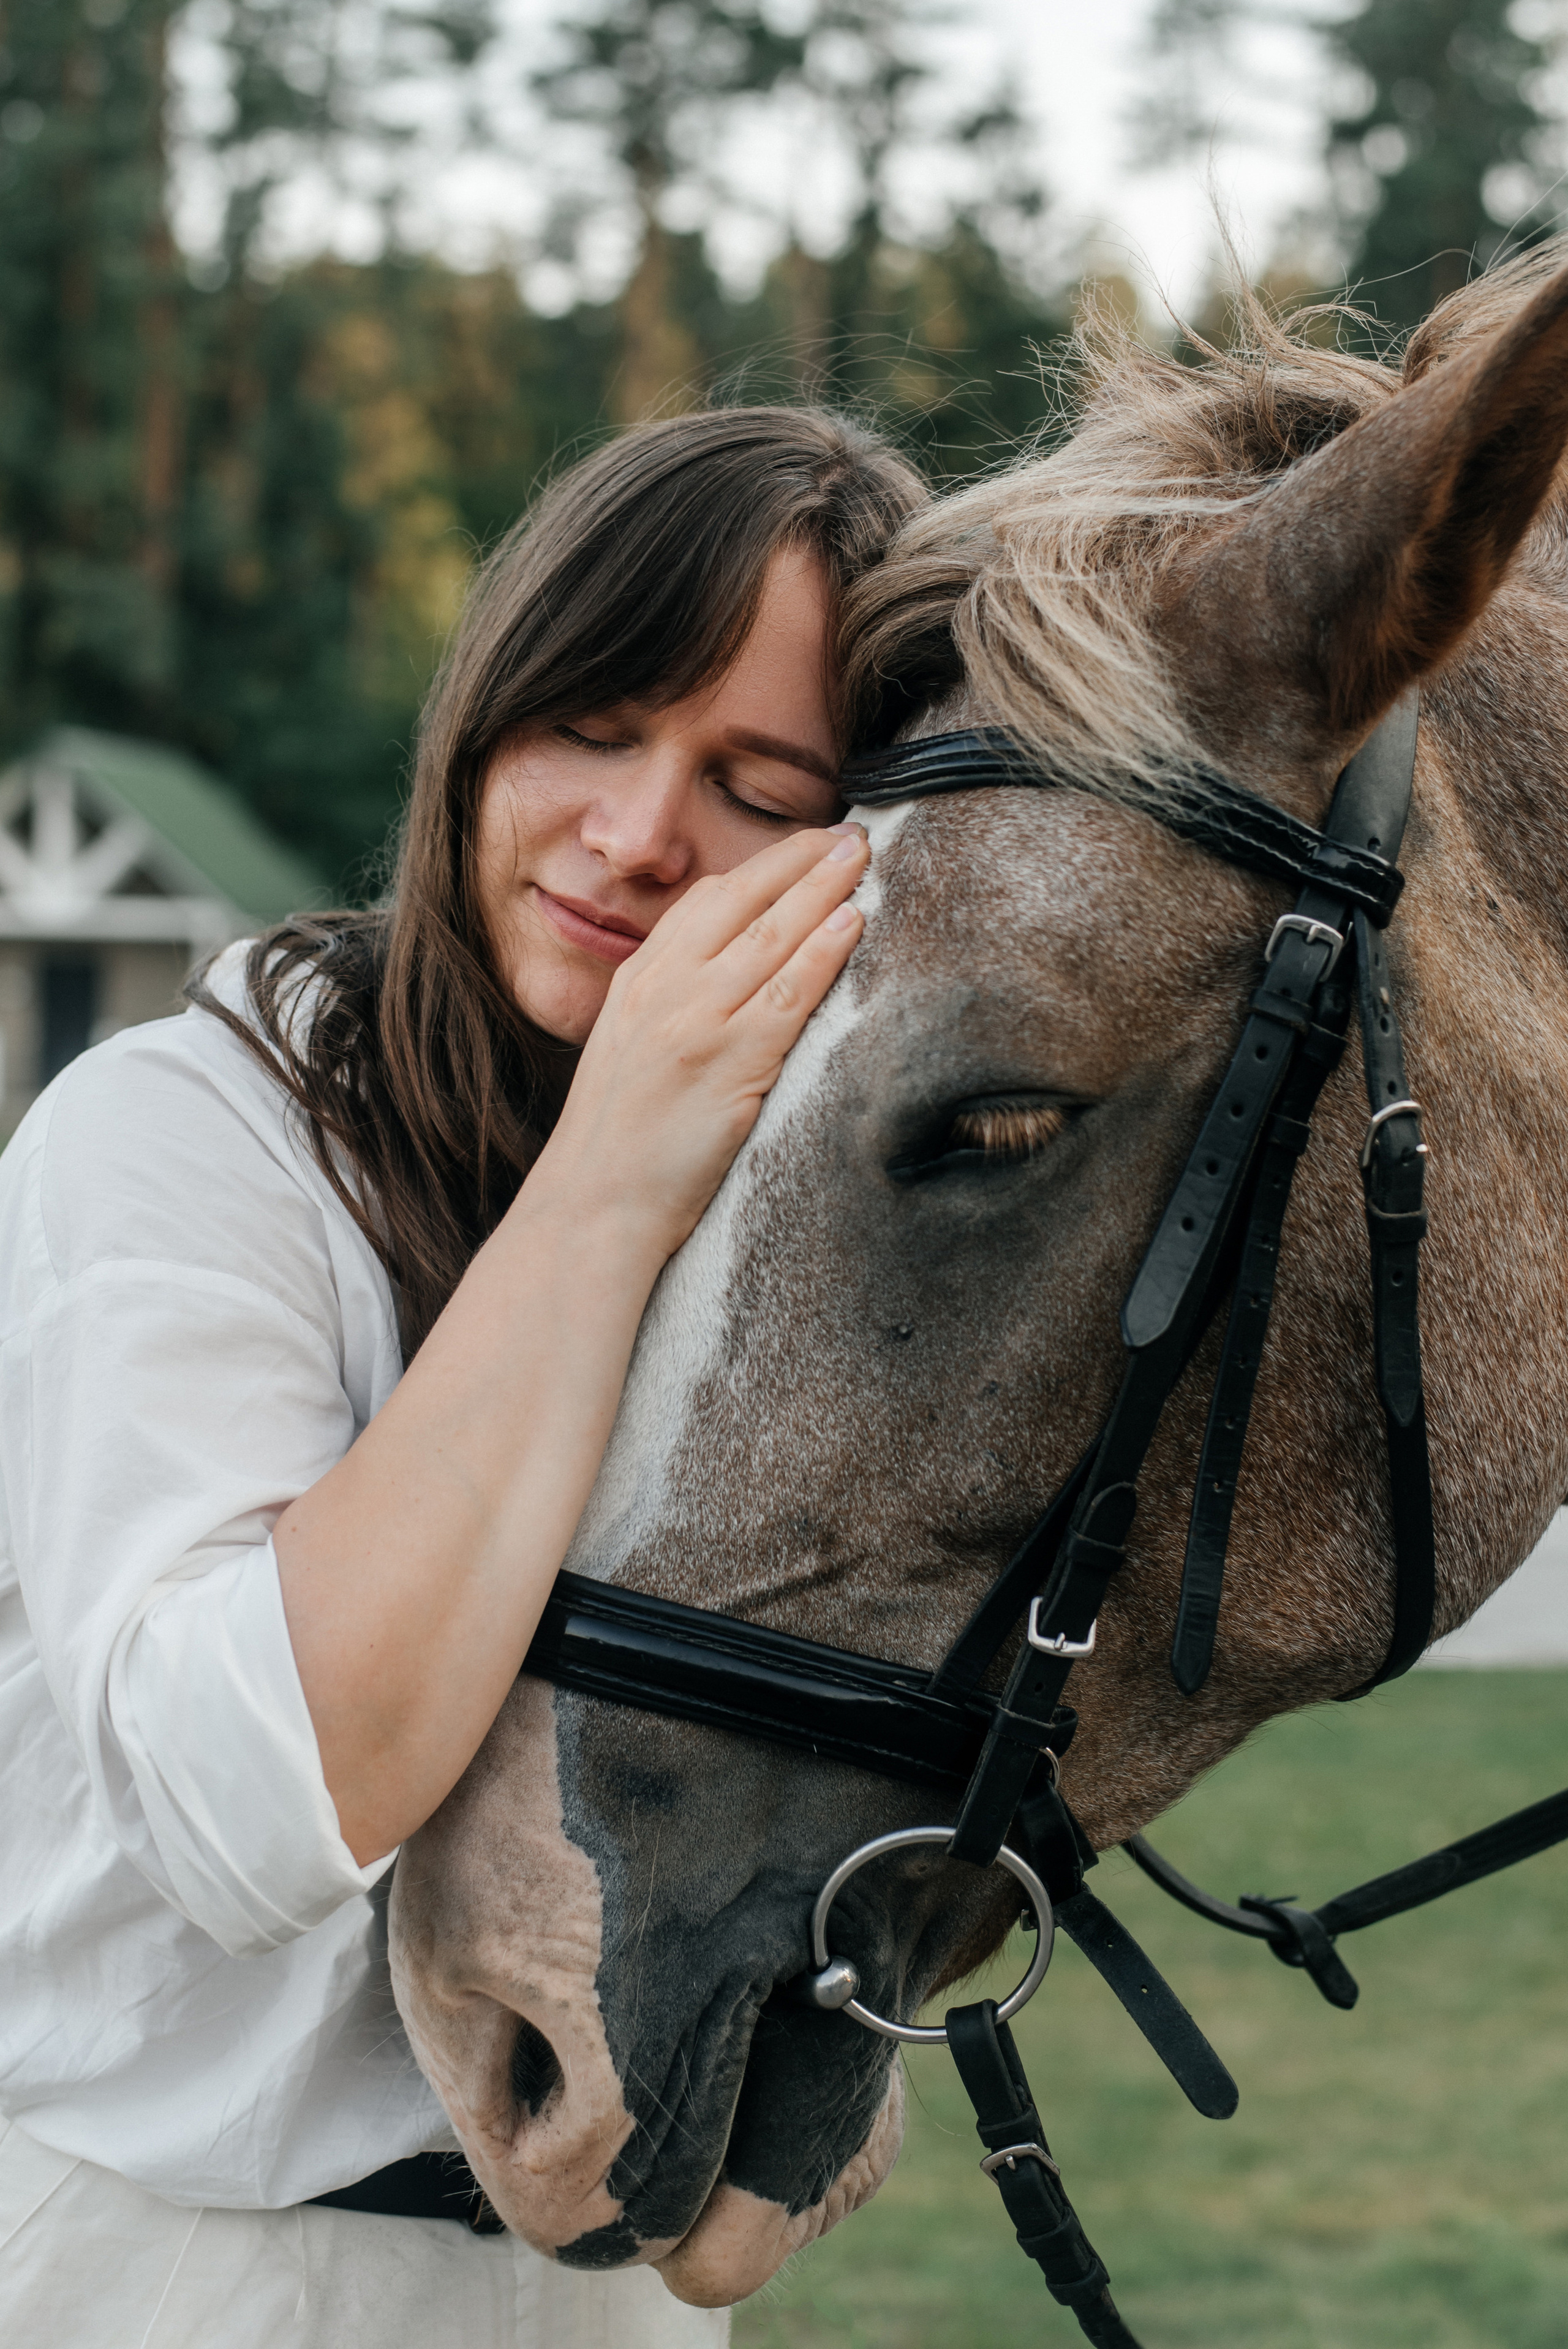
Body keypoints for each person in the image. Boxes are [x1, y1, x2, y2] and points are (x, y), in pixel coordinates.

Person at [0, 407, 927, 2348]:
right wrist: (606, 1181)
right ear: (481, 719)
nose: (641, 832)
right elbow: (252, 1807)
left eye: (759, 786)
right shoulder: (182, 1141)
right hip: (162, 2263)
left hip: (601, 2297)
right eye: (592, 723)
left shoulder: (808, 1245)